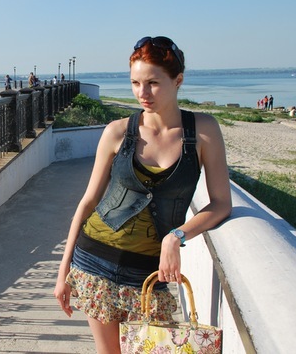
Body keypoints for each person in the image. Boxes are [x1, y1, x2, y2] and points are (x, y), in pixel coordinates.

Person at [53, 36, 232, 354]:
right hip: (95, 260)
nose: (142, 93)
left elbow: (221, 203)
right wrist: (62, 270)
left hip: (148, 274)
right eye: (135, 83)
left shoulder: (203, 131)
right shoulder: (118, 131)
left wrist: (176, 236)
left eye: (153, 83)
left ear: (178, 80)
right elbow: (88, 201)